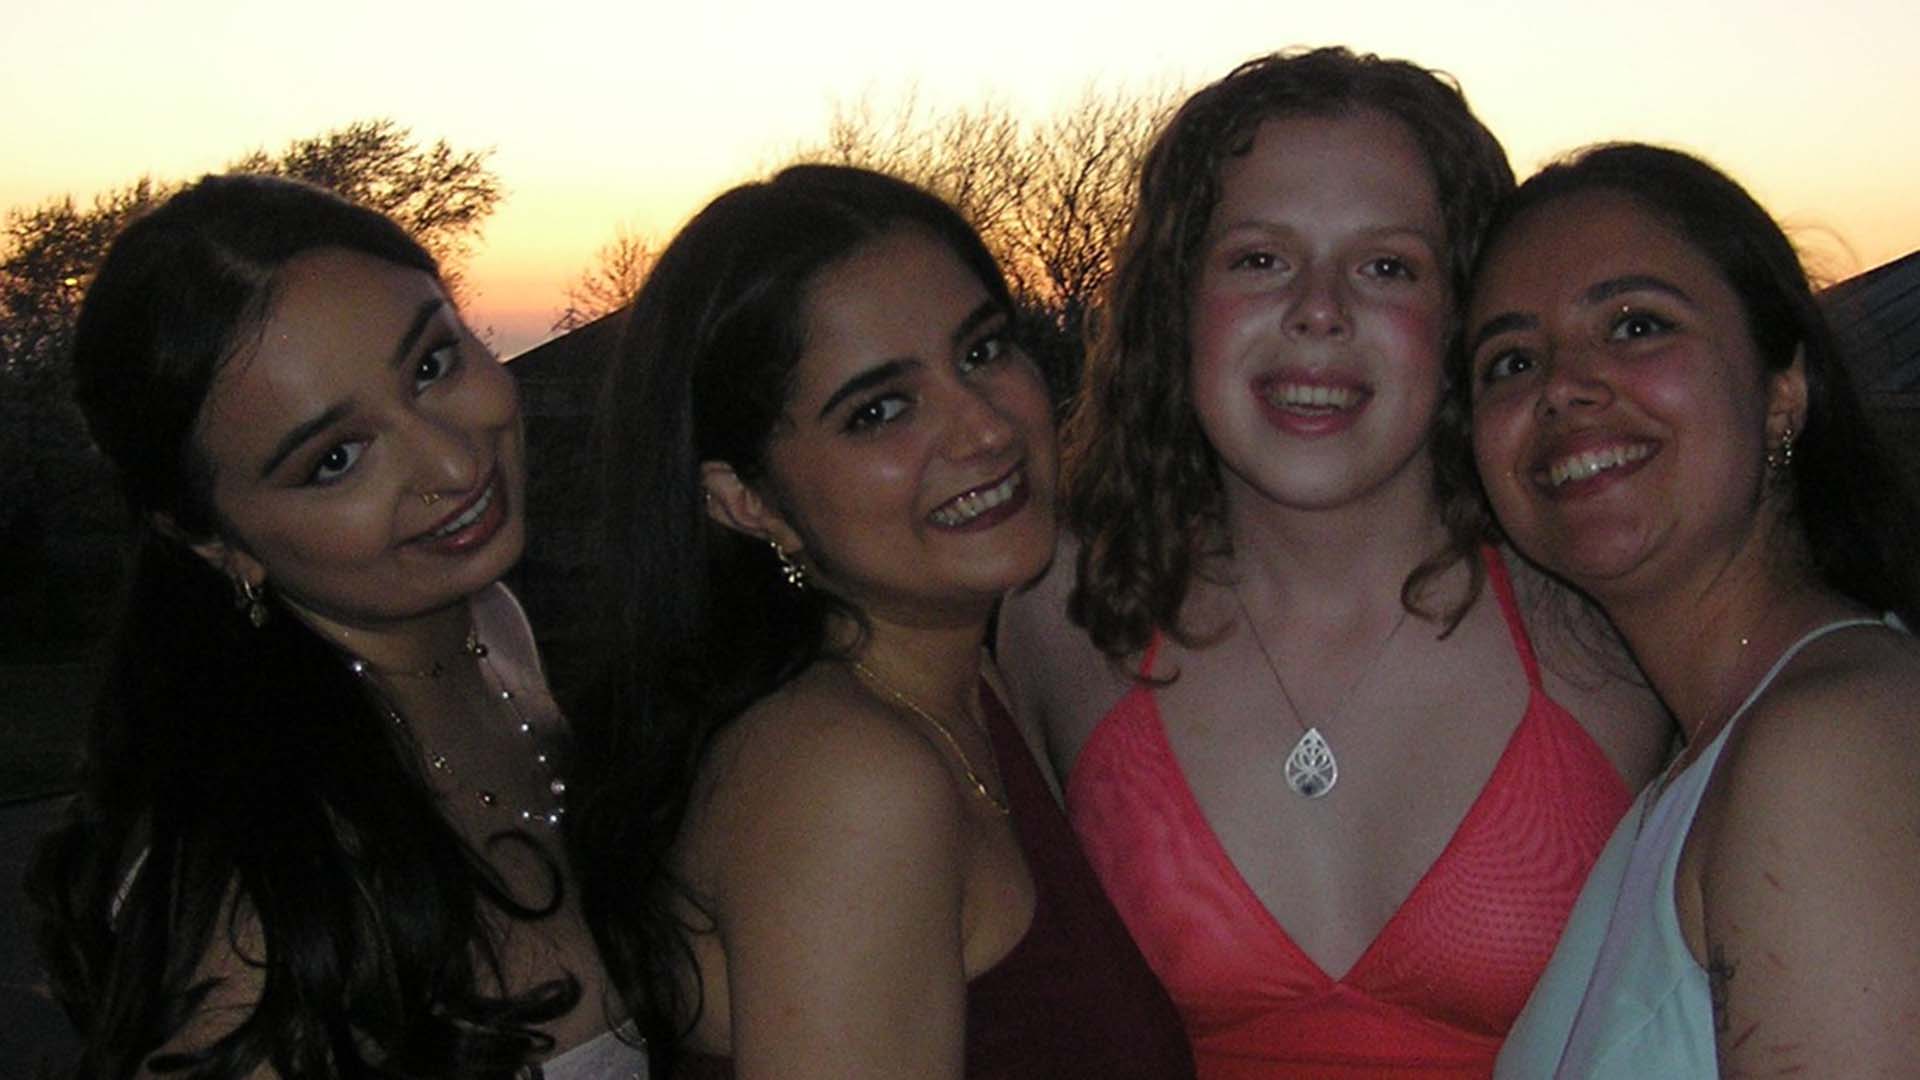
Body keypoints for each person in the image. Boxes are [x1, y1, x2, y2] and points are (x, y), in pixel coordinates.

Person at [995, 48, 1672, 1078]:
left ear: (1461, 317)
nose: (1319, 310)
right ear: (1176, 303)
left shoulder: (1607, 615)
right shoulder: (1059, 608)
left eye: (1388, 266)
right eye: (1259, 259)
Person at [566, 164, 1195, 1079]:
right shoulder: (848, 780)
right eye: (880, 411)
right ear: (745, 501)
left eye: (982, 351)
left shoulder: (963, 686)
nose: (983, 428)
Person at [24, 175, 642, 1079]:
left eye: (431, 364)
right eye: (336, 459)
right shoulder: (265, 907)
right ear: (211, 539)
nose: (452, 458)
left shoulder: (490, 627)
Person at [1464, 143, 1920, 1078]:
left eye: (1635, 326)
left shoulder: (1829, 746)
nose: (1562, 386)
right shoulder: (1704, 762)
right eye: (1510, 360)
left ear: (1782, 390)